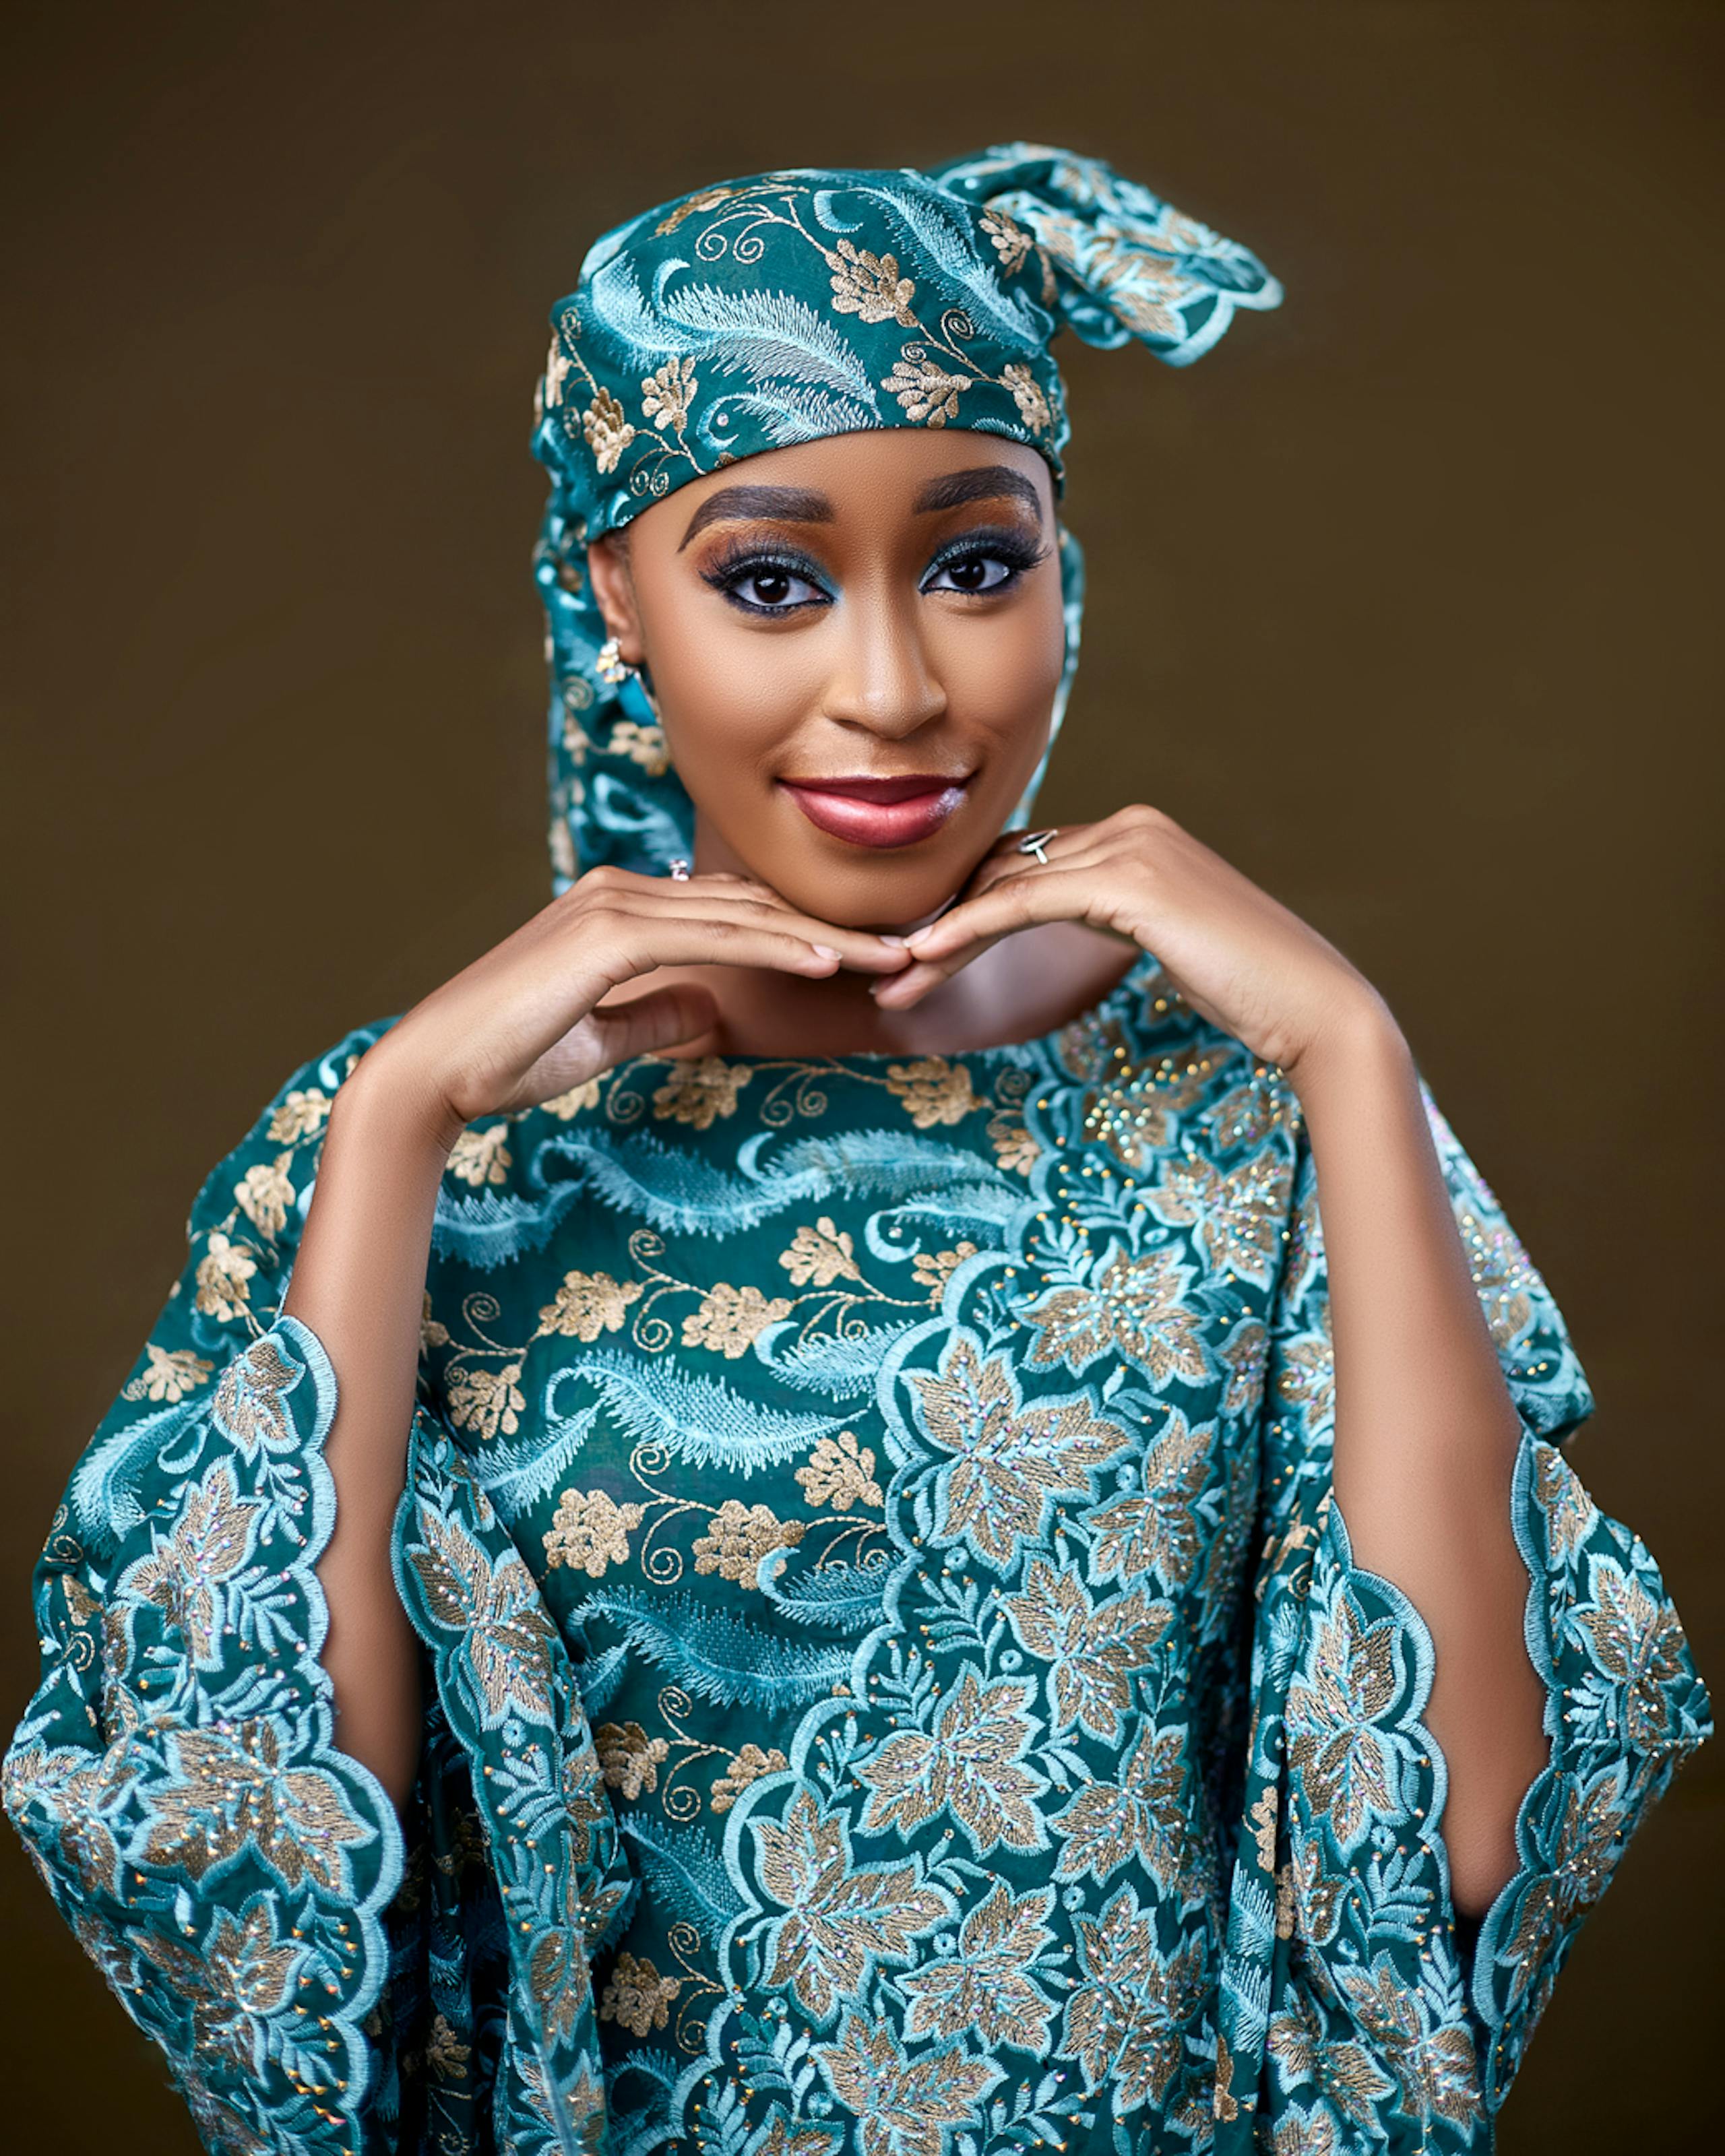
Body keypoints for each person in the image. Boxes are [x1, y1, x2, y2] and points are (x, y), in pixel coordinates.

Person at [3, 144, 1709, 2156]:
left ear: (1068, 570)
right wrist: (391, 1132)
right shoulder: (411, 1153)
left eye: (978, 566)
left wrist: (1352, 1048)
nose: (894, 690)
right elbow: (272, 1883)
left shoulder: (1258, 1116)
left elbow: (1476, 1846)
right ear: (616, 596)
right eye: (770, 582)